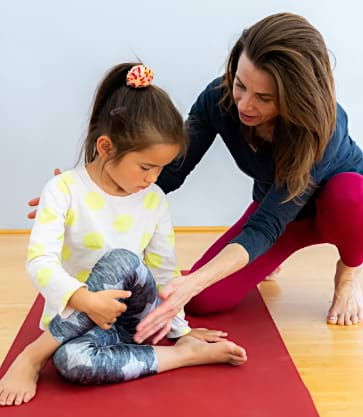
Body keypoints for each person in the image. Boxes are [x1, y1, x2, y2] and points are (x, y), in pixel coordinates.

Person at [0, 63, 247, 407]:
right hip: (74, 324)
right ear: (105, 147)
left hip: (133, 319)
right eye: (146, 167)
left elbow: (163, 272)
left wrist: (180, 330)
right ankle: (182, 358)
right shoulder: (63, 190)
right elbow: (39, 261)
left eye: (161, 167)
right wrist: (84, 300)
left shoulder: (154, 200)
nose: (153, 178)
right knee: (70, 364)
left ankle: (32, 355)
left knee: (122, 260)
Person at [133, 12, 363, 344]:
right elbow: (172, 170)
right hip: (279, 214)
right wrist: (93, 193)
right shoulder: (219, 98)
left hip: (341, 211)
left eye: (264, 98)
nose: (245, 103)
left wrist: (191, 280)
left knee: (352, 195)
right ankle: (273, 257)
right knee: (202, 300)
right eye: (241, 85)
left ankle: (350, 270)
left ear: (295, 98)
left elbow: (264, 226)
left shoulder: (323, 128)